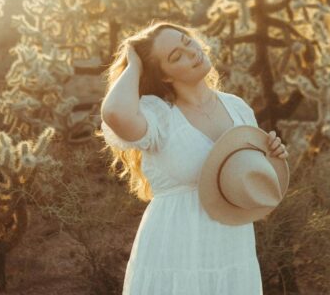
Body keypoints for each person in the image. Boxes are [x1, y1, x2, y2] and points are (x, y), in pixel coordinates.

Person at [98, 21, 289, 295]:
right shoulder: (158, 115)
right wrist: (135, 64)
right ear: (164, 76)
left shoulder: (237, 108)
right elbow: (115, 112)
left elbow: (251, 180)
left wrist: (273, 157)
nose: (192, 53)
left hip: (231, 245)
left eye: (187, 41)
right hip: (176, 249)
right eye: (176, 56)